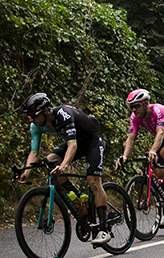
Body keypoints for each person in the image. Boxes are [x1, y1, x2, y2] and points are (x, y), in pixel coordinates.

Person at [20, 92, 111, 246]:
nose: (31, 119)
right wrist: (26, 172)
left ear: (45, 111)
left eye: (33, 115)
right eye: (29, 116)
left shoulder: (63, 115)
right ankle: (76, 196)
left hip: (92, 140)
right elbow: (34, 152)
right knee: (49, 162)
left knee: (93, 181)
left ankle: (104, 228)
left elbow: (72, 145)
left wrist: (64, 165)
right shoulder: (36, 126)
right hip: (76, 142)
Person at [117, 89, 164, 196]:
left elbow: (160, 132)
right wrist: (125, 156)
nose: (133, 110)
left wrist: (153, 150)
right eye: (131, 107)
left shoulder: (159, 110)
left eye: (136, 106)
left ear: (146, 104)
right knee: (159, 173)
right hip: (163, 140)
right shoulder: (134, 117)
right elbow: (131, 138)